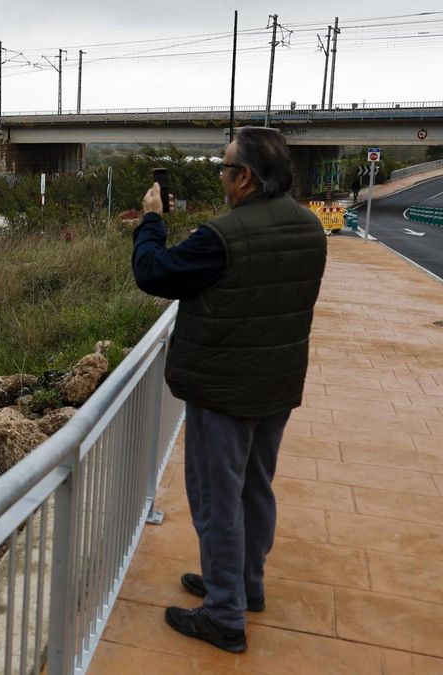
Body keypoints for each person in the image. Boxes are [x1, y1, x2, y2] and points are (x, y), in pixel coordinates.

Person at [131, 127, 327, 653]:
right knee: (255, 490)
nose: (220, 175)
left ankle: (223, 616)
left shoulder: (222, 236)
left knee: (218, 500)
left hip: (224, 392)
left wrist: (152, 219)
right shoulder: (312, 228)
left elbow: (153, 273)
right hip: (277, 385)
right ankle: (245, 586)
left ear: (243, 177)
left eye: (224, 167)